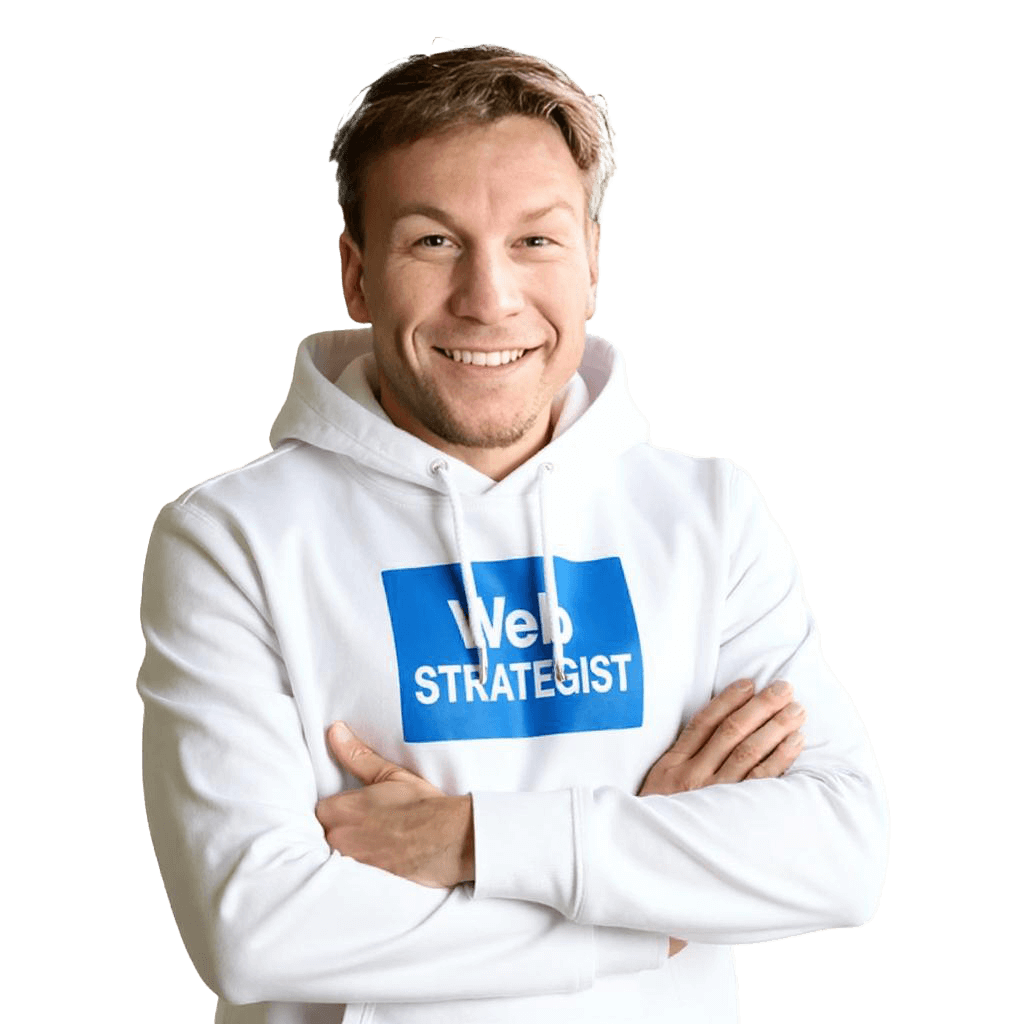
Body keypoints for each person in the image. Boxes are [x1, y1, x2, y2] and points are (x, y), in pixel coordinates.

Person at [137, 42, 889, 1024]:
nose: (488, 299)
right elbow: (254, 929)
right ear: (356, 278)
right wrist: (648, 912)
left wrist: (470, 839)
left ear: (591, 266)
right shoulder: (230, 537)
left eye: (534, 241)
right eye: (433, 242)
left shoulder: (707, 513)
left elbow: (837, 855)